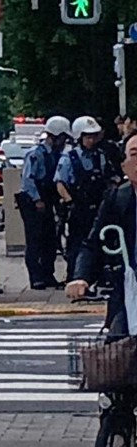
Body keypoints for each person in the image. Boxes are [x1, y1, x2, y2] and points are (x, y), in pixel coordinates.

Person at [67, 132, 137, 331]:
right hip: (129, 291)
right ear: (124, 166)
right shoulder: (117, 198)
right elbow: (93, 243)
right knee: (117, 350)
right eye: (135, 154)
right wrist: (81, 277)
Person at [56, 116, 112, 282]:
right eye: (88, 137)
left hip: (99, 207)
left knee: (99, 241)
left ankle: (98, 277)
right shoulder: (69, 157)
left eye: (94, 136)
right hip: (79, 208)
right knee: (76, 244)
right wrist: (70, 202)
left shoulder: (100, 156)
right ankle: (74, 277)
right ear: (79, 137)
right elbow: (60, 183)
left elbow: (107, 179)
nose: (92, 140)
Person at [19, 116, 72, 290]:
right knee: (35, 240)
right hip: (34, 201)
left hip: (48, 200)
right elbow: (28, 180)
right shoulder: (36, 154)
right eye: (63, 137)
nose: (64, 142)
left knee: (50, 239)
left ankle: (48, 275)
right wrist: (37, 199)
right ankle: (36, 277)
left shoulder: (57, 155)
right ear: (55, 136)